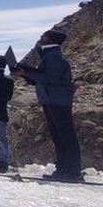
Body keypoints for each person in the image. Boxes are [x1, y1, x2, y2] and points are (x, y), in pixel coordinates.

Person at [16, 30, 82, 181]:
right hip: (53, 99)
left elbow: (50, 77)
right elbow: (41, 77)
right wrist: (25, 73)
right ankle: (66, 170)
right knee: (60, 136)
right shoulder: (49, 55)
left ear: (50, 39)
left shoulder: (53, 56)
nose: (41, 38)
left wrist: (27, 73)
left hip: (56, 99)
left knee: (64, 136)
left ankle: (71, 171)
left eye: (44, 36)